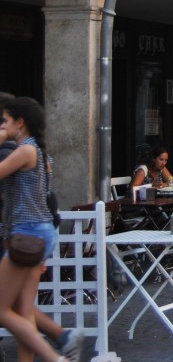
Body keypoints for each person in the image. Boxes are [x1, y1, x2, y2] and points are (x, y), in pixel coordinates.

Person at [0, 97, 80, 362]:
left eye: (6, 121)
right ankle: (58, 342)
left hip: (27, 234)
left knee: (1, 310)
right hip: (39, 233)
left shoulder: (25, 151)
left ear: (19, 123)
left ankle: (54, 356)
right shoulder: (40, 152)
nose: (3, 126)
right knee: (23, 310)